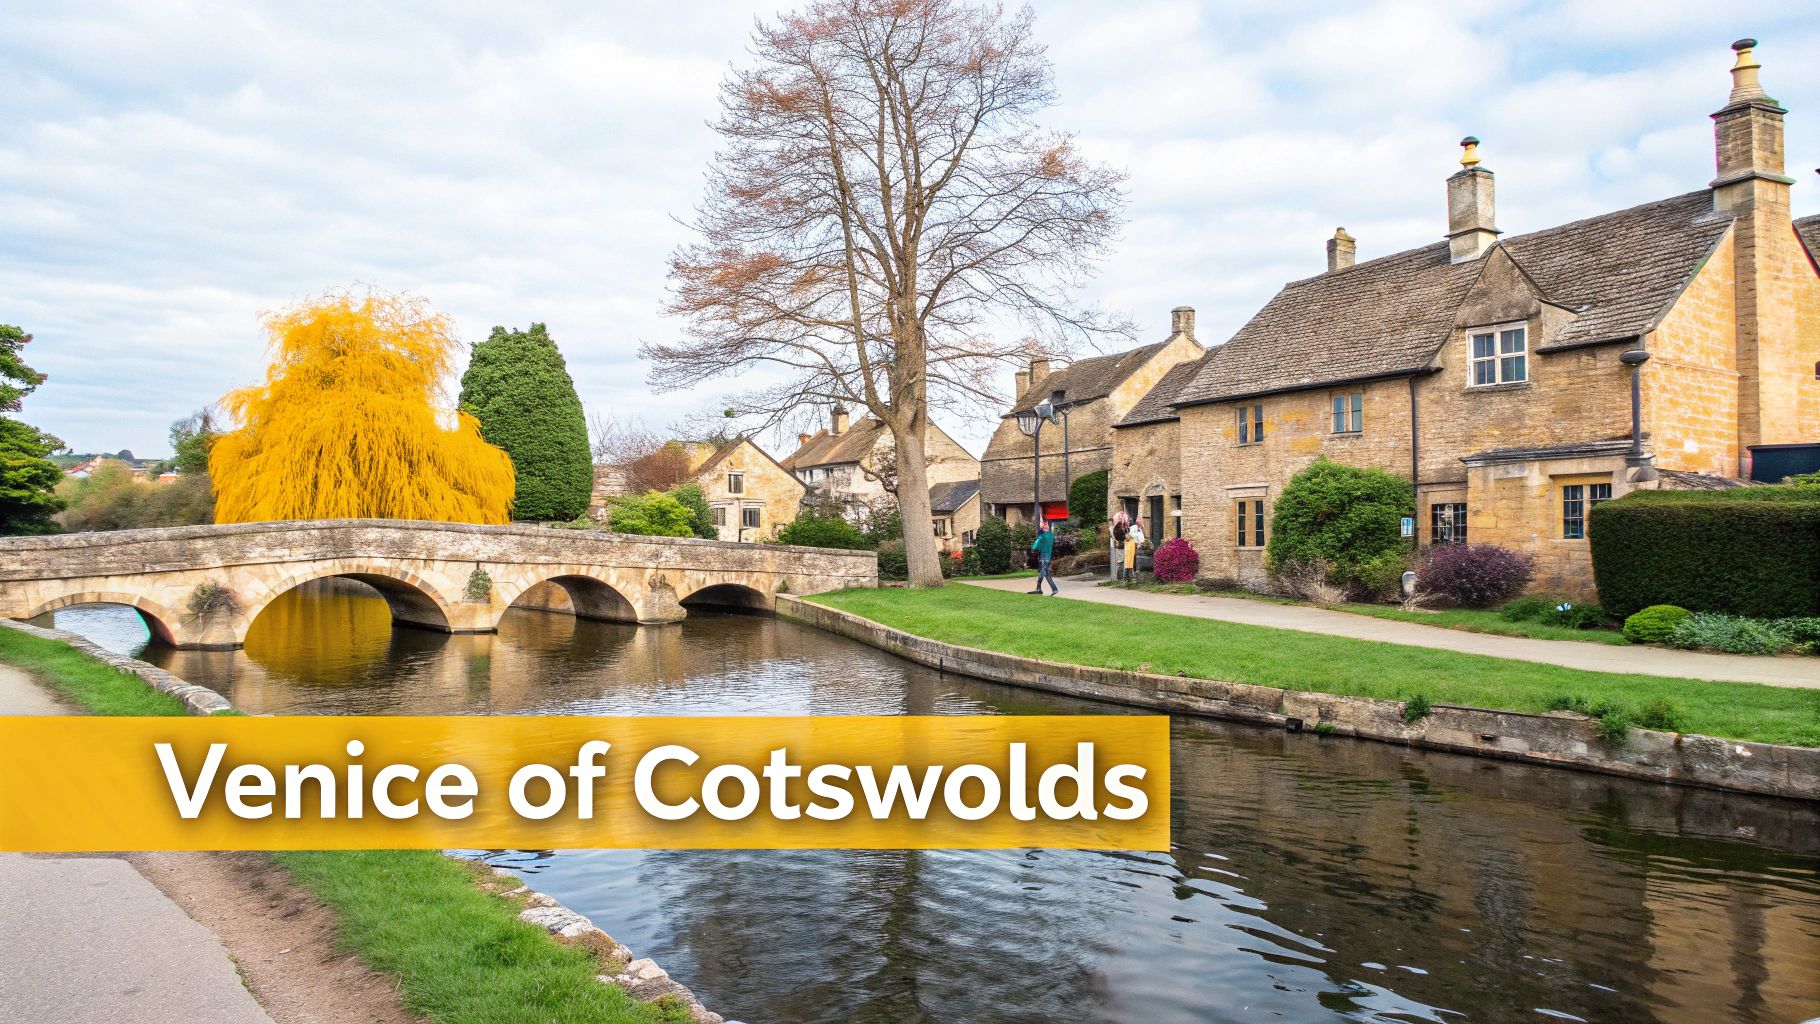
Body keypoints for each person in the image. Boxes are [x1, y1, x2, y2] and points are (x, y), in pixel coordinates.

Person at [1027, 520, 1059, 595]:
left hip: (1043, 557)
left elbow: (1035, 546)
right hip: (1048, 556)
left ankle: (1038, 589)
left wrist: (1034, 546)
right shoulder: (1051, 536)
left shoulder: (1042, 536)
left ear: (1043, 528)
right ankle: (1054, 589)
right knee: (1047, 574)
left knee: (1042, 572)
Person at [1123, 519, 1145, 586]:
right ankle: (1128, 579)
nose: (1141, 524)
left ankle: (1128, 579)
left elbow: (1141, 537)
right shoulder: (1133, 529)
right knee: (1129, 565)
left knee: (1130, 565)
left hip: (1133, 551)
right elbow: (1131, 536)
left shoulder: (1139, 529)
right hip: (1130, 552)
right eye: (1140, 523)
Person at [1111, 511, 1130, 582]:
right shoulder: (1117, 527)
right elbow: (1119, 535)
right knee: (1121, 560)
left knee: (1124, 560)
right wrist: (1125, 533)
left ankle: (1124, 576)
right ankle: (1120, 577)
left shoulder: (1122, 526)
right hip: (1121, 545)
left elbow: (1126, 532)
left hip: (1124, 545)